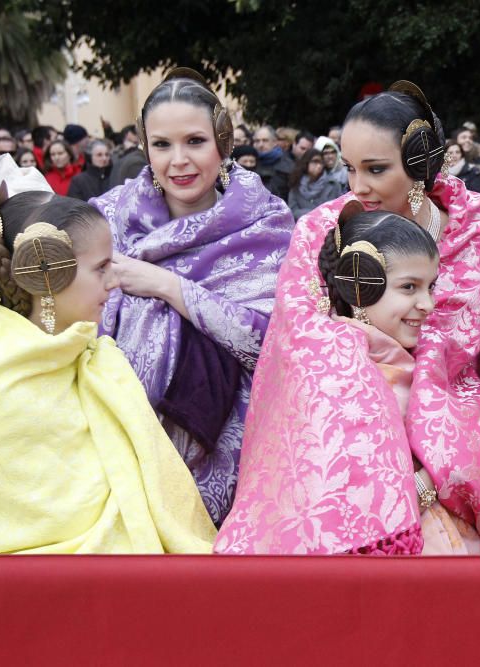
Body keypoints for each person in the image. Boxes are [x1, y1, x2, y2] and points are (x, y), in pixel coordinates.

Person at [215, 80, 480, 554]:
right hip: (340, 422)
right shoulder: (321, 228)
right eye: (350, 168)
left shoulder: (471, 229)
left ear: (420, 164)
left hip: (448, 416)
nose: (358, 187)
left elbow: (461, 354)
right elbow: (303, 349)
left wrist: (422, 462)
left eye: (376, 169)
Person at [90, 68, 294, 525]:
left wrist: (169, 287)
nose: (178, 160)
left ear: (223, 141)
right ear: (144, 147)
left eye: (195, 141)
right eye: (162, 144)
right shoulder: (104, 221)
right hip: (116, 451)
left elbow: (277, 343)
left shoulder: (267, 224)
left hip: (240, 454)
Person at [0, 189, 216, 553]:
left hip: (110, 580)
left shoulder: (99, 358)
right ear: (44, 271)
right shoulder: (3, 373)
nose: (113, 281)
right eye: (100, 268)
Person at [287, 148, 343, 219]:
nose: (319, 166)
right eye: (315, 161)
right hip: (303, 227)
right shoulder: (295, 184)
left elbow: (338, 209)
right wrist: (314, 214)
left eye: (321, 162)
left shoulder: (333, 185)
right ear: (306, 162)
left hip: (327, 227)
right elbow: (293, 211)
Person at [251, 124, 291, 199]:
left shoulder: (288, 164)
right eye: (257, 141)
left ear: (275, 142)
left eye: (265, 140)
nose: (261, 144)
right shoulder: (249, 164)